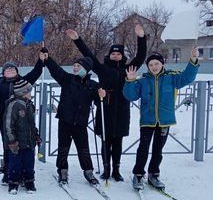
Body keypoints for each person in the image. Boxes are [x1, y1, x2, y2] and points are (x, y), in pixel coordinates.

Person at [66, 23, 147, 181]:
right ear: (109, 55)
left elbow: (141, 56)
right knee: (105, 140)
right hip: (105, 107)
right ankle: (106, 169)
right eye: (113, 54)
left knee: (118, 141)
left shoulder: (128, 69)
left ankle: (116, 170)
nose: (115, 56)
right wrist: (77, 39)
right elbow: (88, 54)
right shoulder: (102, 68)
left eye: (118, 54)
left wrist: (141, 37)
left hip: (122, 108)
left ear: (122, 56)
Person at [124, 47, 200, 190]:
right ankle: (138, 174)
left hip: (165, 120)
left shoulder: (171, 77)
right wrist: (130, 81)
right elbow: (130, 96)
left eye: (156, 64)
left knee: (158, 149)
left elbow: (187, 77)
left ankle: (154, 174)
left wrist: (193, 59)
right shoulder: (143, 81)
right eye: (151, 65)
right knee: (143, 148)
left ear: (162, 64)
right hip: (147, 121)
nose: (154, 67)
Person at [39, 48, 106, 185]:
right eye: (74, 66)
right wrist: (47, 59)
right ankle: (62, 170)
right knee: (63, 148)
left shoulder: (93, 85)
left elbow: (99, 102)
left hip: (81, 122)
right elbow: (56, 70)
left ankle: (88, 171)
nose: (75, 68)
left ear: (86, 69)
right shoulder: (68, 79)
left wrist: (101, 97)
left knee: (83, 148)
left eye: (78, 66)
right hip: (65, 120)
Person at [0, 59, 44, 185]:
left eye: (12, 68)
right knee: (9, 147)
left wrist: (41, 60)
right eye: (7, 69)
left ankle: (24, 174)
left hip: (23, 122)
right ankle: (8, 173)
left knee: (24, 148)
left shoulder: (23, 82)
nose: (10, 70)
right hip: (6, 122)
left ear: (17, 71)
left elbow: (36, 72)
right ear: (3, 73)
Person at [3, 79, 40, 194]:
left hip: (29, 141)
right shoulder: (14, 105)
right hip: (16, 143)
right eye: (29, 91)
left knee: (29, 163)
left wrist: (36, 135)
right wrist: (12, 141)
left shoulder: (29, 105)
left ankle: (29, 181)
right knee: (15, 163)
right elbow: (8, 125)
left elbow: (32, 124)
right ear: (23, 93)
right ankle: (13, 183)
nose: (31, 93)